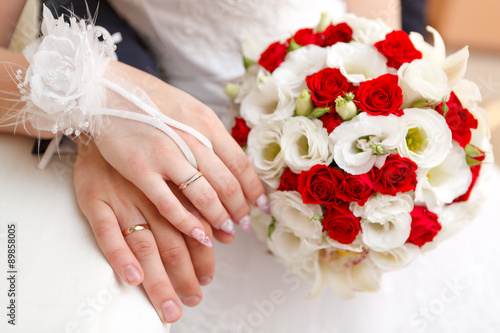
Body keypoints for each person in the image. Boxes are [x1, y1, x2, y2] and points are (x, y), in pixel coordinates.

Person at [1, 1, 500, 332]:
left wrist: (398, 126)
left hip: (361, 191)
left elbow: (381, 32)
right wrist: (98, 104)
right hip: (184, 171)